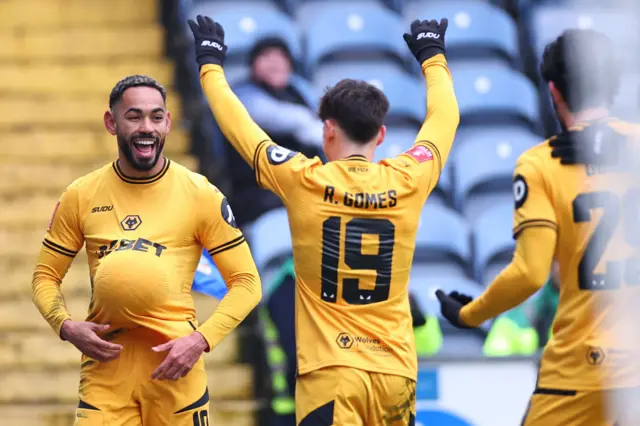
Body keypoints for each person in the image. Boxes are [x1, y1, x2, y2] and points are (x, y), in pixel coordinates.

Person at [188, 15, 459, 425]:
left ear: (328, 129)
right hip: (395, 373)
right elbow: (444, 119)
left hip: (330, 374)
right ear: (381, 135)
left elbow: (242, 128)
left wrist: (210, 64)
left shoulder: (303, 179)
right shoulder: (409, 177)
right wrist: (433, 57)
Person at [435, 29, 640, 425]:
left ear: (553, 91)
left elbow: (530, 274)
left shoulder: (541, 164)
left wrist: (470, 315)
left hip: (583, 366)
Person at [31, 75, 262, 425]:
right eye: (134, 116)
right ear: (112, 123)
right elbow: (44, 277)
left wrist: (200, 340)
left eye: (156, 117)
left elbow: (247, 283)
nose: (146, 128)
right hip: (106, 376)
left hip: (176, 376)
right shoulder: (81, 194)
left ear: (168, 122)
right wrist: (65, 326)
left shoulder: (200, 193)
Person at [225, 37, 325, 234]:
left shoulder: (297, 90)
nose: (274, 63)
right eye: (266, 57)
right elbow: (282, 119)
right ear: (253, 65)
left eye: (281, 57)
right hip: (257, 192)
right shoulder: (243, 94)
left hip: (299, 184)